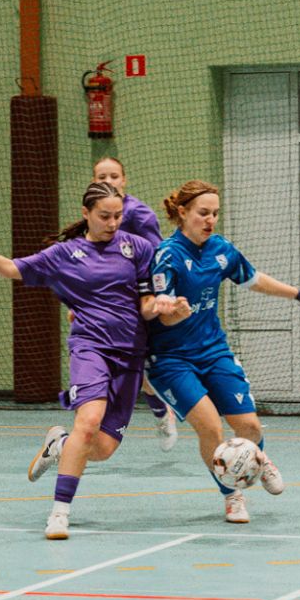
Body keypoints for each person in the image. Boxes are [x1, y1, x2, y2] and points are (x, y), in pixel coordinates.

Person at [0, 181, 172, 540]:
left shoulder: (136, 248)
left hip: (130, 355)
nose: (112, 223)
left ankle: (59, 444)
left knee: (101, 449)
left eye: (118, 216)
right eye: (104, 216)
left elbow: (147, 300)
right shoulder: (64, 255)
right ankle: (59, 514)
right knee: (88, 422)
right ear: (86, 214)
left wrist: (162, 306)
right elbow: (11, 268)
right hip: (90, 348)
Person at [146, 180, 300, 523]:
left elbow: (254, 279)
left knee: (250, 426)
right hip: (171, 358)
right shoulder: (167, 255)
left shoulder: (221, 249)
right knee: (210, 428)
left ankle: (259, 459)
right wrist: (173, 312)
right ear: (182, 213)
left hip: (213, 350)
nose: (210, 219)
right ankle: (232, 495)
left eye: (215, 213)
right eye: (203, 213)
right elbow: (163, 312)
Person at [90, 155, 179, 449]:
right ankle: (91, 430)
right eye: (102, 177)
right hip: (106, 301)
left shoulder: (140, 215)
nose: (108, 181)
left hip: (137, 299)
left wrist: (154, 298)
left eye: (114, 176)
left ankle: (163, 413)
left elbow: (158, 257)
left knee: (140, 369)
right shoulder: (93, 215)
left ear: (124, 180)